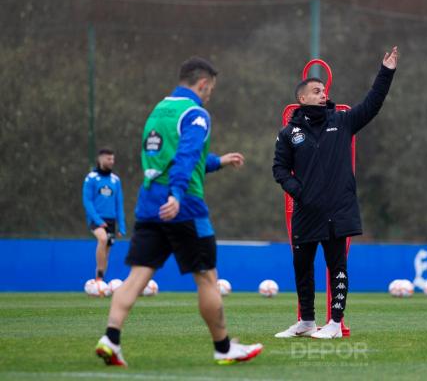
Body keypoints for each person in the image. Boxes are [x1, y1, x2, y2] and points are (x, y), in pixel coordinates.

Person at [95, 56, 262, 367]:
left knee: (136, 277)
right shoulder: (196, 114)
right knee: (207, 279)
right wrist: (177, 194)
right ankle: (224, 347)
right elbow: (185, 157)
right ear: (202, 84)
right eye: (210, 88)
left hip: (149, 205)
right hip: (185, 207)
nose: (210, 94)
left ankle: (111, 338)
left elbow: (170, 157)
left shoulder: (159, 110)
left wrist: (217, 161)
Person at [273, 46, 399, 339]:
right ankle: (305, 321)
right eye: (316, 91)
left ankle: (334, 322)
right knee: (302, 267)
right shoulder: (288, 133)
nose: (322, 94)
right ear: (301, 99)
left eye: (323, 90)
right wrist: (298, 192)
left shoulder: (342, 122)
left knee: (337, 267)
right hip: (306, 211)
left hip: (337, 211)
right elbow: (279, 169)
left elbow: (373, 104)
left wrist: (387, 71)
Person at [83, 148, 126, 281]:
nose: (111, 161)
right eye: (108, 159)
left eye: (113, 159)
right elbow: (87, 201)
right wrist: (97, 219)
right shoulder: (91, 178)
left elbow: (119, 203)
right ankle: (100, 275)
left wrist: (122, 225)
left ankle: (99, 282)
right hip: (96, 219)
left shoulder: (115, 180)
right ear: (100, 159)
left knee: (106, 254)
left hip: (111, 220)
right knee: (102, 239)